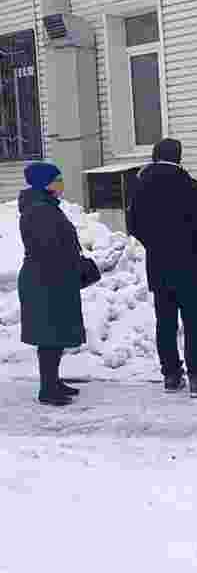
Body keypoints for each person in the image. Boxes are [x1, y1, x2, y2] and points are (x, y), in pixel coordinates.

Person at [127, 138, 197, 397]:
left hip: (159, 264)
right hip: (191, 265)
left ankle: (171, 375)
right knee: (193, 323)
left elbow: (133, 224)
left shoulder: (140, 185)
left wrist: (155, 245)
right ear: (179, 157)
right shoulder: (189, 185)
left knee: (165, 322)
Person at [18, 161, 85, 406]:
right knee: (49, 335)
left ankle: (53, 381)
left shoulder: (45, 206)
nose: (61, 184)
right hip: (45, 280)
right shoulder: (39, 209)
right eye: (57, 179)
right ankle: (47, 389)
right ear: (44, 183)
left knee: (54, 333)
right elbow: (49, 247)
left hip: (50, 277)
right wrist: (71, 265)